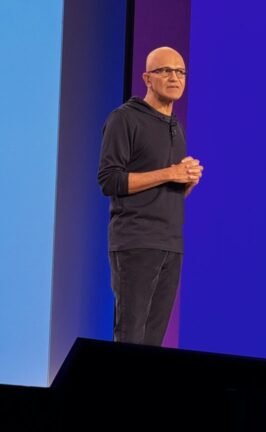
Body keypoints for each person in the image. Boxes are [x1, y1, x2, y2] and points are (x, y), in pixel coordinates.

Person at [97, 46, 203, 345]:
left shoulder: (176, 127)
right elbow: (109, 180)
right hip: (135, 242)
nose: (174, 77)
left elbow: (162, 194)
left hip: (170, 244)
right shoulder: (124, 119)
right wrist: (170, 173)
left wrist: (186, 182)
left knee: (153, 342)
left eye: (180, 72)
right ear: (147, 78)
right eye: (165, 71)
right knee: (130, 337)